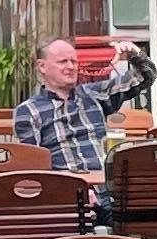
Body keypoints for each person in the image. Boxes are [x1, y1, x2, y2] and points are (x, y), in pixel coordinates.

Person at [11, 35, 121, 178]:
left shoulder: (94, 94)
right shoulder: (28, 111)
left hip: (109, 189)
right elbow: (32, 169)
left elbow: (146, 77)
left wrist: (136, 54)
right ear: (42, 66)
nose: (70, 67)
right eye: (63, 62)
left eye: (74, 61)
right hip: (68, 193)